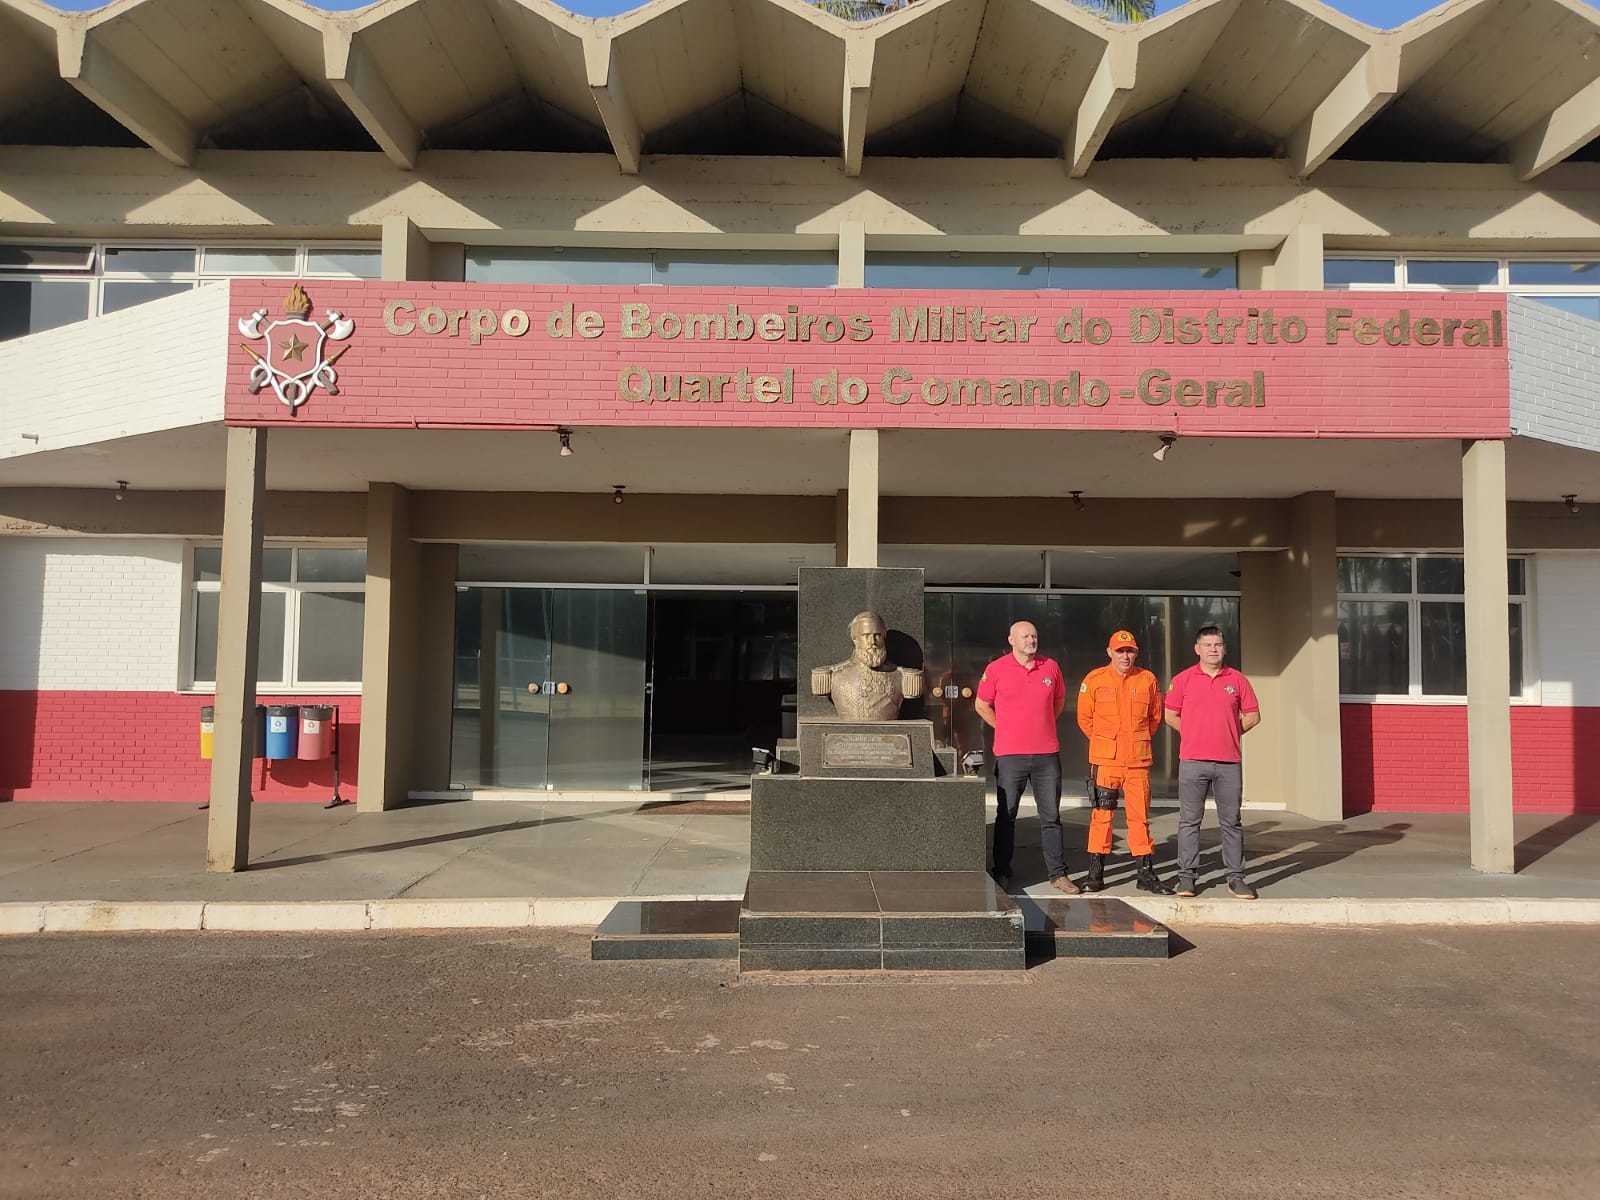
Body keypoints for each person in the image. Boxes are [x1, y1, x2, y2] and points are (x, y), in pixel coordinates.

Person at [975, 620, 1079, 895]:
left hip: (1046, 755)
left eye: (1034, 636)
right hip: (1010, 756)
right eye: (1025, 636)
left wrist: (1041, 725)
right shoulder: (996, 669)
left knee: (1051, 816)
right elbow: (981, 704)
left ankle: (1058, 874)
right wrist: (1004, 728)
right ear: (1011, 640)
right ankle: (1001, 871)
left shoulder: (1051, 667)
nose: (1031, 640)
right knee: (1006, 815)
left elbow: (1058, 702)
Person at [1164, 625, 1261, 899]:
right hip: (1192, 762)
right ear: (1197, 649)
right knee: (1189, 821)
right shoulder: (1183, 680)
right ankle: (1187, 878)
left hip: (1228, 763)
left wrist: (1229, 732)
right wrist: (1192, 733)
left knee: (1231, 822)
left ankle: (1236, 878)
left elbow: (1253, 716)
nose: (1213, 649)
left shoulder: (1238, 680)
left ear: (1224, 648)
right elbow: (1170, 715)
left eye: (1217, 644)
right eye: (1207, 645)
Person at [1076, 629, 1174, 895]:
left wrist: (1134, 741)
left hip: (1137, 762)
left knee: (1139, 818)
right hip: (1106, 761)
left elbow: (1154, 718)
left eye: (1130, 651)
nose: (1125, 656)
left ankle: (1145, 874)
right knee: (1101, 816)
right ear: (1110, 652)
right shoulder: (1094, 680)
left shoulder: (1147, 679)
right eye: (1120, 651)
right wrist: (1107, 742)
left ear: (1136, 653)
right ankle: (1095, 875)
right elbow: (1085, 719)